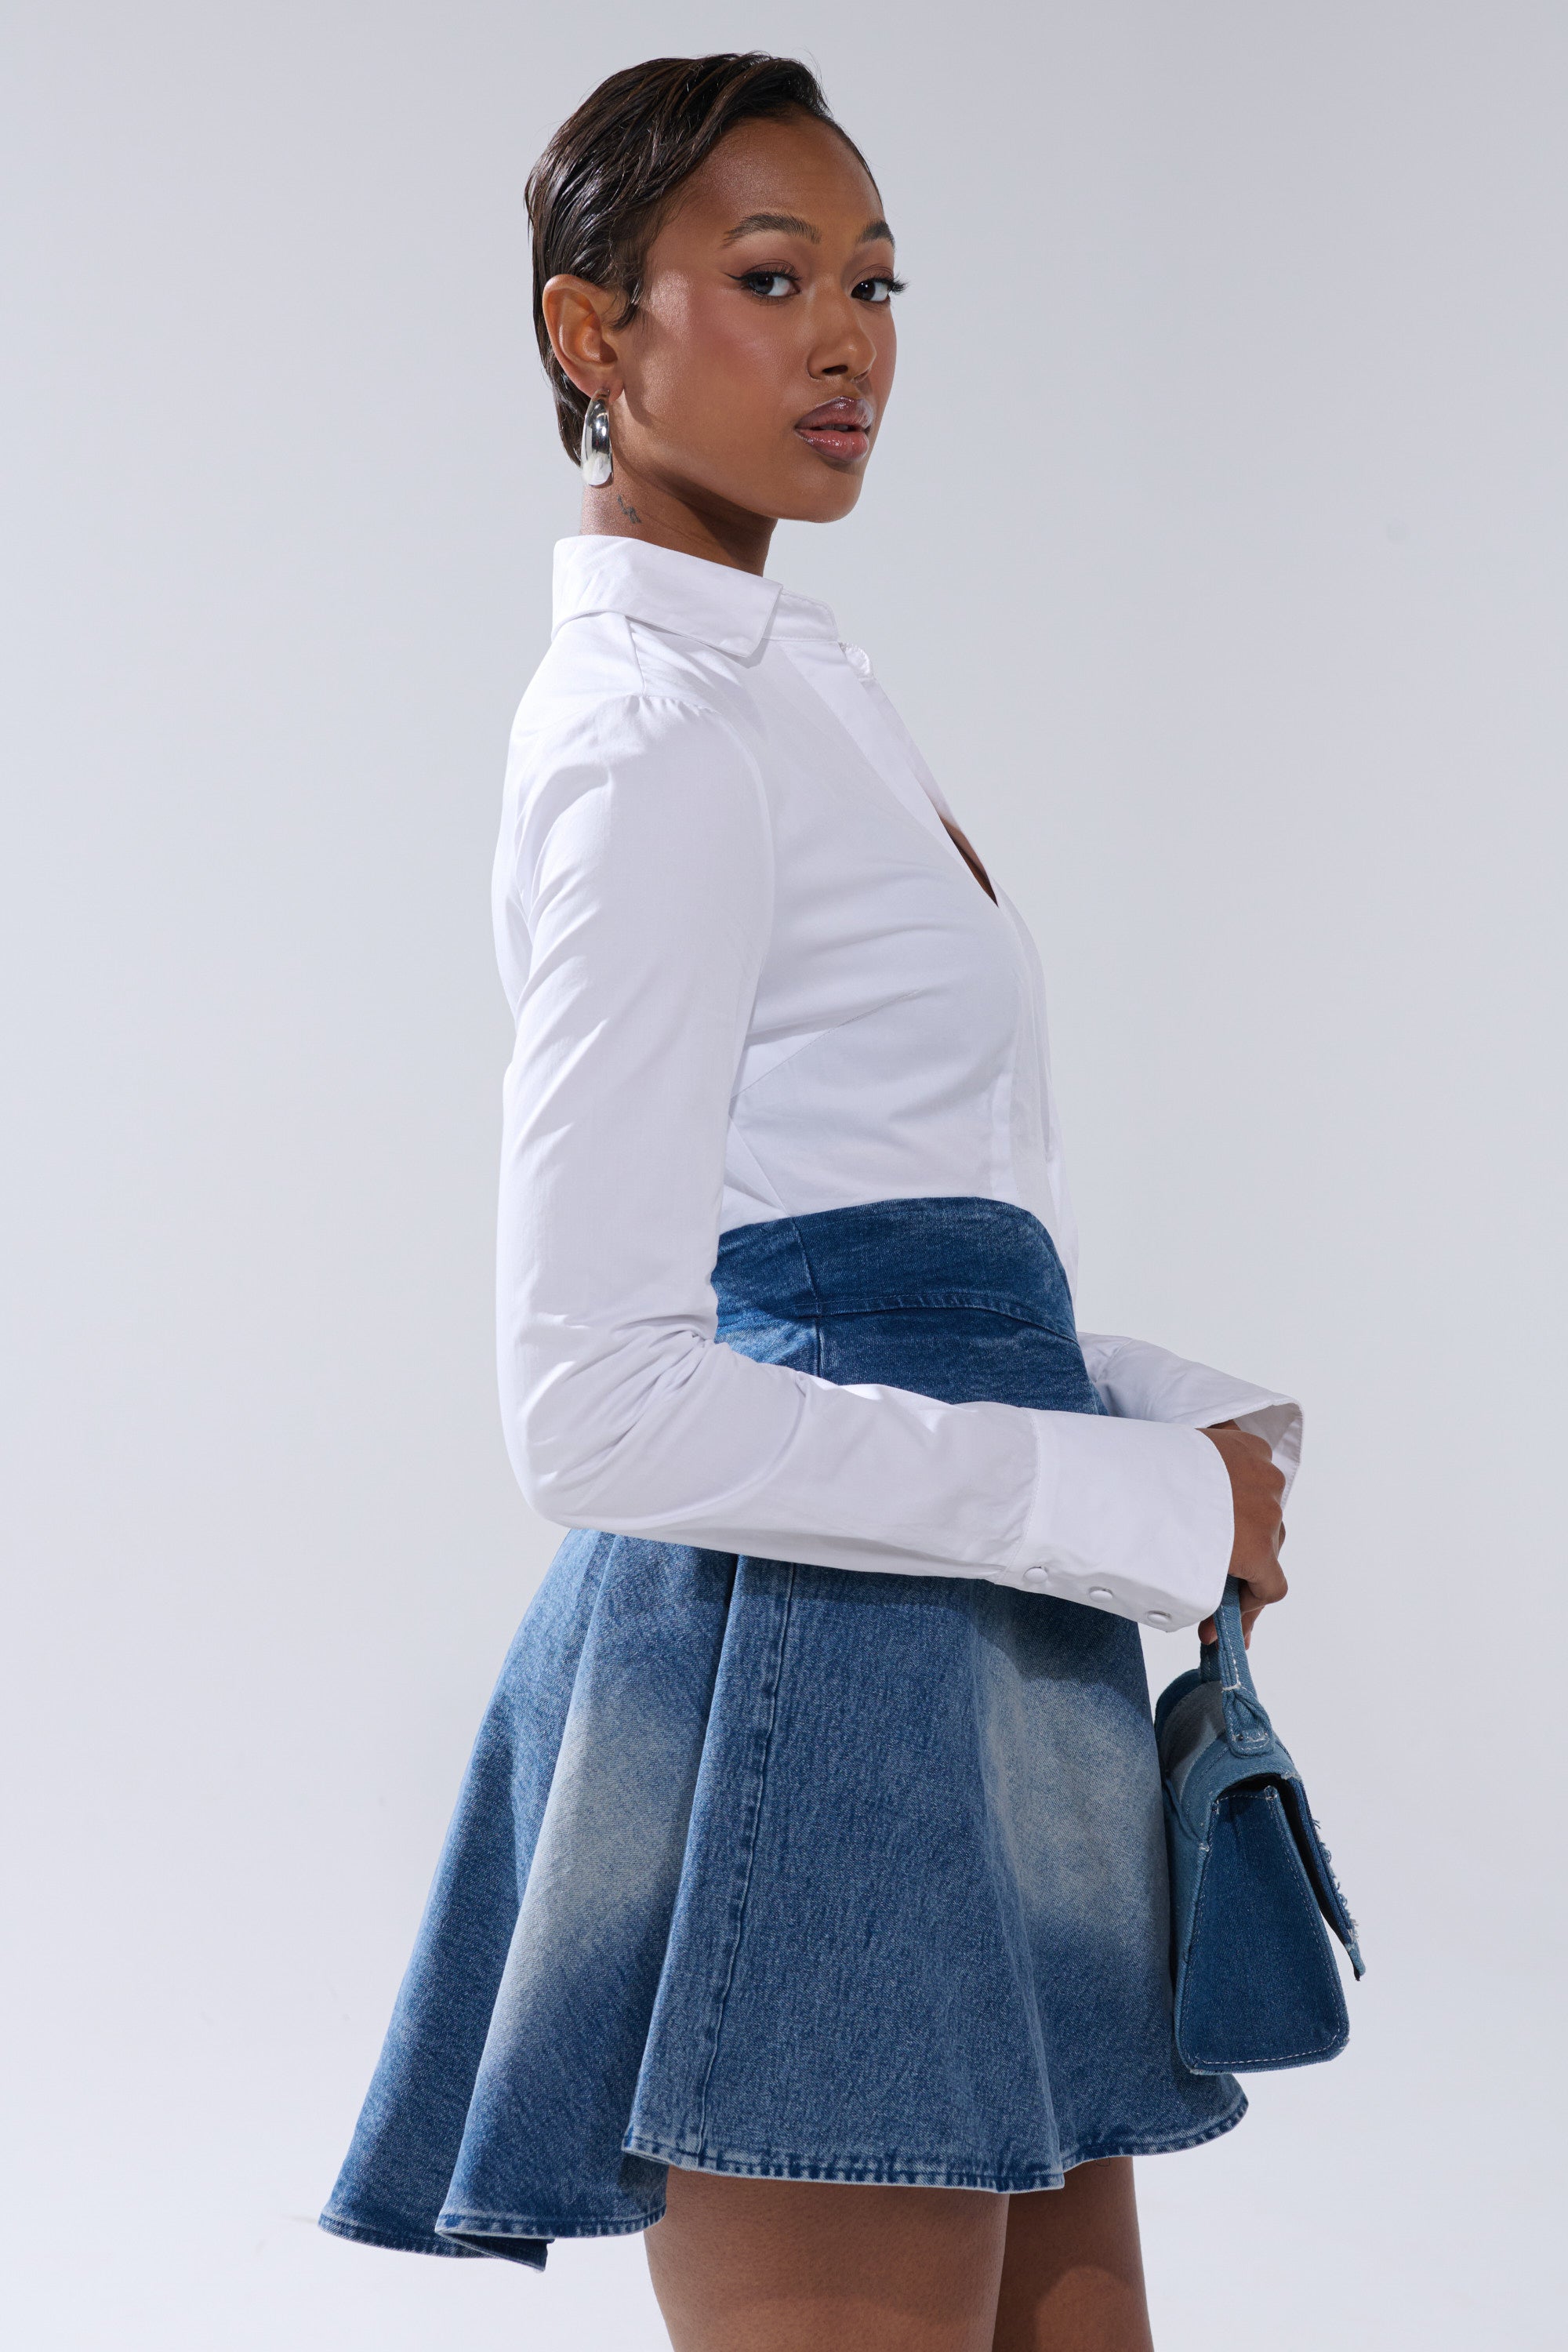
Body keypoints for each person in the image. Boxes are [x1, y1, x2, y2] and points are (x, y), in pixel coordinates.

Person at [320, 53, 1296, 2352]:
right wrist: (1136, 1502)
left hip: (962, 1651)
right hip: (819, 1693)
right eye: (771, 281)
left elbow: (866, 1240)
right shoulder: (658, 749)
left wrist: (1179, 1428)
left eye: (873, 280)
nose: (849, 339)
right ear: (595, 339)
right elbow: (600, 1407)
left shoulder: (784, 701)